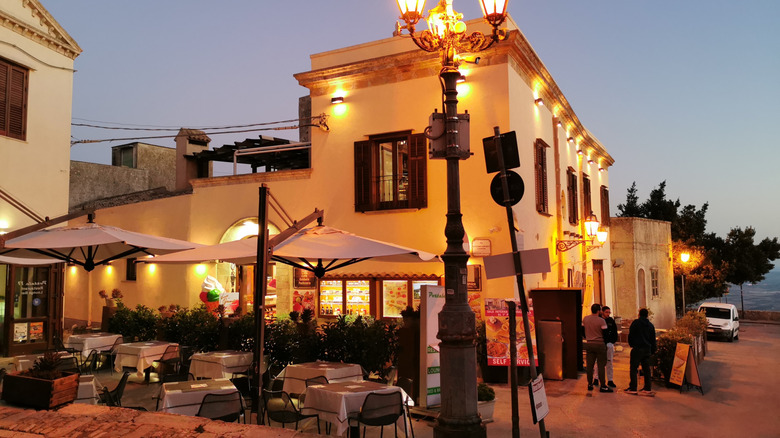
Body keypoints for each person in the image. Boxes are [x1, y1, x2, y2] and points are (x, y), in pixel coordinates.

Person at [626, 308, 657, 395]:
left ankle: (633, 388)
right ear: (647, 315)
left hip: (637, 348)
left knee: (633, 368)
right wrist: (653, 350)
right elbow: (653, 339)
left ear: (639, 314)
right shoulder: (650, 325)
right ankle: (647, 388)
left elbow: (630, 335)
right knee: (646, 369)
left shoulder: (635, 323)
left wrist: (632, 345)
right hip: (647, 349)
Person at [583, 303, 612, 393]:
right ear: (599, 311)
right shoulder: (601, 321)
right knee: (601, 365)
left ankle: (590, 384)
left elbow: (582, 331)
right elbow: (606, 334)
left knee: (590, 365)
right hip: (599, 344)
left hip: (589, 344)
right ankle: (603, 385)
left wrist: (588, 337)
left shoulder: (585, 319)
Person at [592, 306, 618, 388]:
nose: (608, 314)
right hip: (600, 343)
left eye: (609, 312)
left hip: (609, 344)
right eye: (606, 312)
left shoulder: (611, 321)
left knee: (609, 361)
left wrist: (612, 341)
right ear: (602, 312)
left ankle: (610, 380)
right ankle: (596, 378)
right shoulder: (599, 320)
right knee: (598, 362)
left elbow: (614, 331)